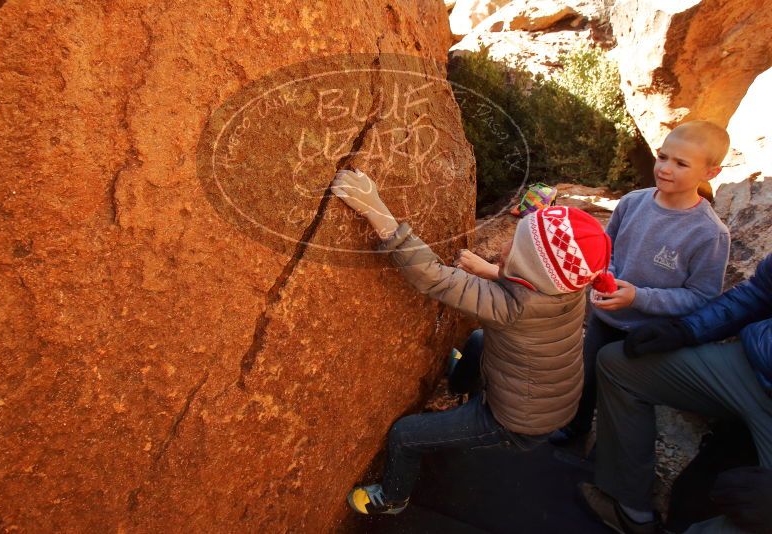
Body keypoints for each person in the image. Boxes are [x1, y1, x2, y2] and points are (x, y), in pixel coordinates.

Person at [330, 168, 614, 515]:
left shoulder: (512, 307)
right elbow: (537, 288)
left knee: (406, 434)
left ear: (531, 270)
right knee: (478, 339)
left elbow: (434, 279)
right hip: (548, 398)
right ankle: (459, 384)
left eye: (517, 247)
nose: (508, 246)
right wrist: (492, 271)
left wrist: (377, 212)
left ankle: (392, 498)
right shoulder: (570, 288)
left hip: (514, 422)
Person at [549, 120, 732, 447]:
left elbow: (702, 297)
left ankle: (610, 453)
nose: (664, 168)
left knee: (621, 395)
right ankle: (575, 428)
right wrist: (604, 277)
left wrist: (638, 297)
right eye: (662, 157)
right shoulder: (633, 202)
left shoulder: (709, 233)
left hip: (649, 332)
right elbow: (607, 249)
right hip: (606, 318)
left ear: (710, 173)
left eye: (681, 163)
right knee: (587, 376)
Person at [579, 253, 772, 533]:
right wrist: (686, 329)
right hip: (758, 365)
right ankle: (630, 510)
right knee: (618, 365)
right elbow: (759, 293)